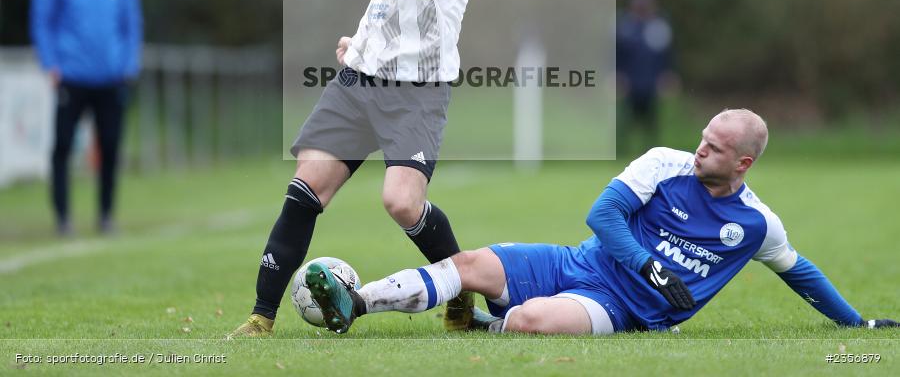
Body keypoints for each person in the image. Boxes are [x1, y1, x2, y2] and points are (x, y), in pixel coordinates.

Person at [305, 109, 899, 335]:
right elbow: (602, 214)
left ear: (743, 162)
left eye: (715, 149)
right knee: (468, 264)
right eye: (702, 139)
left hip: (621, 309)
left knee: (530, 321)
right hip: (577, 261)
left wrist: (858, 325)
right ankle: (355, 304)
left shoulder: (754, 225)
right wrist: (649, 264)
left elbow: (801, 272)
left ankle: (486, 328)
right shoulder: (665, 164)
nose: (699, 152)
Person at [230, 0, 480, 337]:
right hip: (359, 81)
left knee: (402, 203)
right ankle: (260, 318)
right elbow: (389, 0)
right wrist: (362, 41)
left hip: (417, 89)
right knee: (305, 187)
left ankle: (462, 284)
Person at [29, 0, 143, 236]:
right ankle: (62, 217)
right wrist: (50, 62)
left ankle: (106, 215)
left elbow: (131, 22)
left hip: (111, 77)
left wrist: (128, 63)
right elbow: (42, 20)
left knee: (109, 147)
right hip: (72, 75)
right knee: (63, 146)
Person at [616, 0, 675, 154]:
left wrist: (667, 75)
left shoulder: (659, 26)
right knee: (626, 121)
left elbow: (668, 54)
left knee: (651, 123)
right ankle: (622, 153)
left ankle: (652, 153)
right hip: (630, 82)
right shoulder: (624, 26)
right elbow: (617, 53)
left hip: (651, 82)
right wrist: (617, 75)